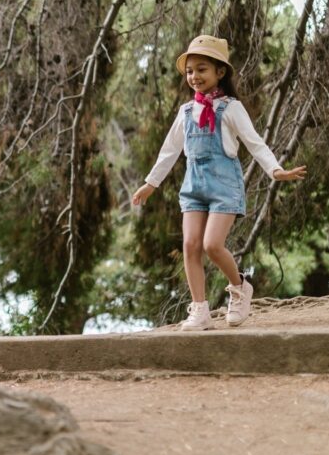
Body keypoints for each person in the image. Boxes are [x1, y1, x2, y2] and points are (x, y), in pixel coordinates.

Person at [131, 36, 307, 331]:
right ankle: (200, 310)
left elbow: (255, 143)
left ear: (220, 72)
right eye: (190, 71)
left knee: (212, 245)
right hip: (193, 186)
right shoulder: (186, 112)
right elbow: (169, 150)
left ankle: (239, 288)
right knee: (190, 245)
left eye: (202, 69)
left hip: (225, 185)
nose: (194, 77)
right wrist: (151, 183)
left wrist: (275, 170)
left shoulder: (231, 108)